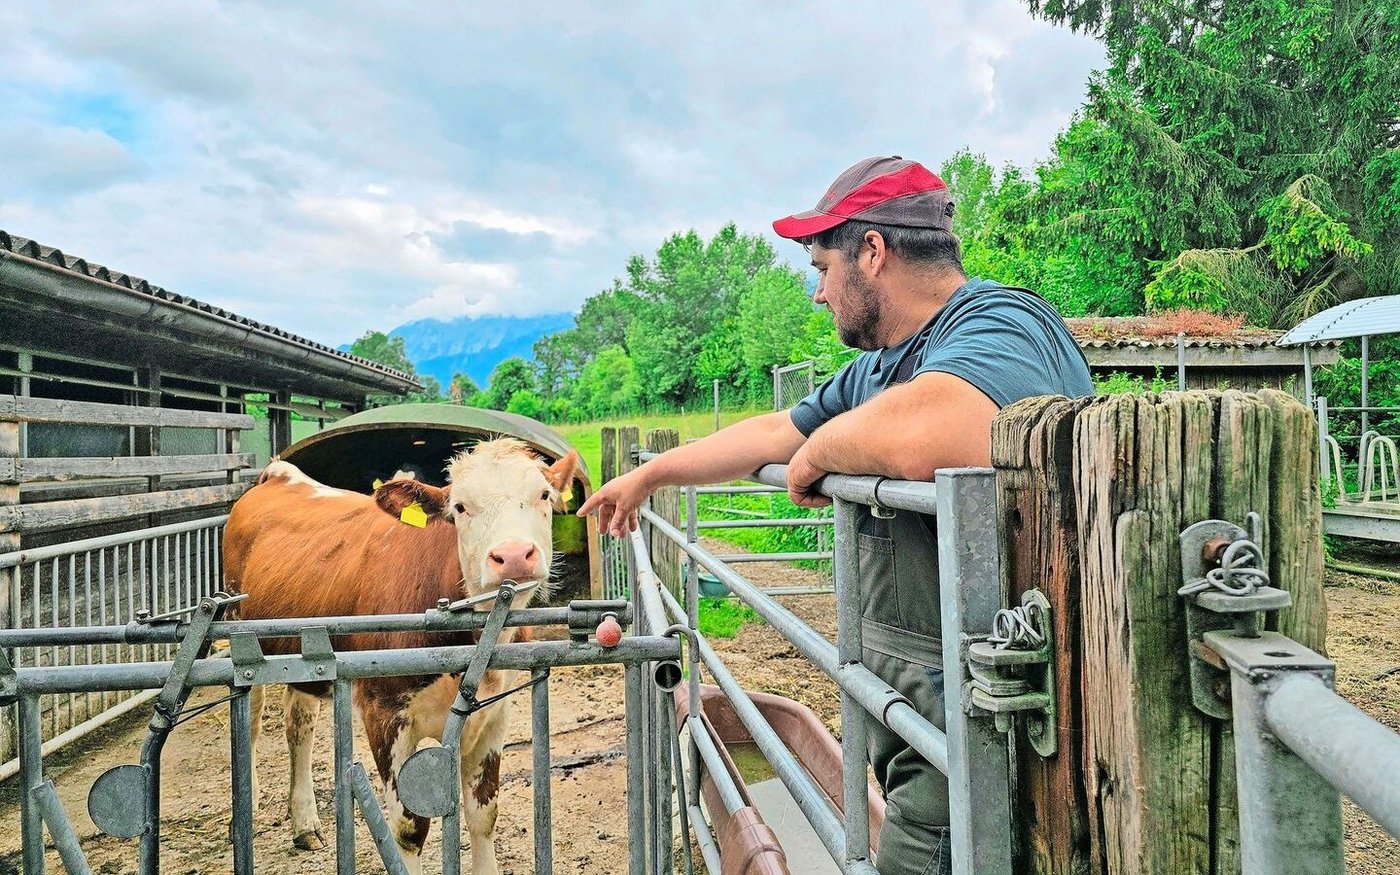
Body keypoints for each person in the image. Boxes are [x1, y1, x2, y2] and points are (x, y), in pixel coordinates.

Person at [578, 155, 1093, 874]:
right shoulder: (881, 368)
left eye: (823, 267)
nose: (818, 292)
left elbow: (944, 427)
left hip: (1002, 748)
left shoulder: (1001, 318)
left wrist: (823, 449)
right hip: (928, 739)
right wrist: (650, 475)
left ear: (873, 252)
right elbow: (770, 433)